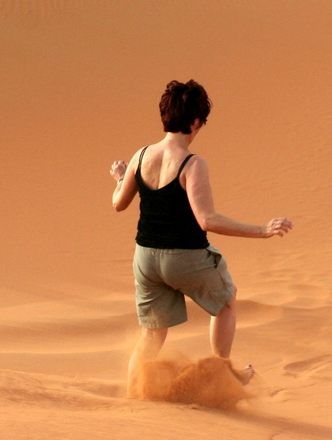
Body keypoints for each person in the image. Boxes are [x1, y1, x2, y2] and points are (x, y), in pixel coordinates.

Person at [110, 79, 293, 395]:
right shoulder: (192, 164)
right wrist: (262, 230)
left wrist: (119, 178)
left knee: (152, 334)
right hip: (183, 256)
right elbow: (206, 220)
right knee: (227, 301)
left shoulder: (140, 156)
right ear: (195, 121)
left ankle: (133, 395)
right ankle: (223, 372)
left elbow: (118, 204)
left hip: (145, 258)